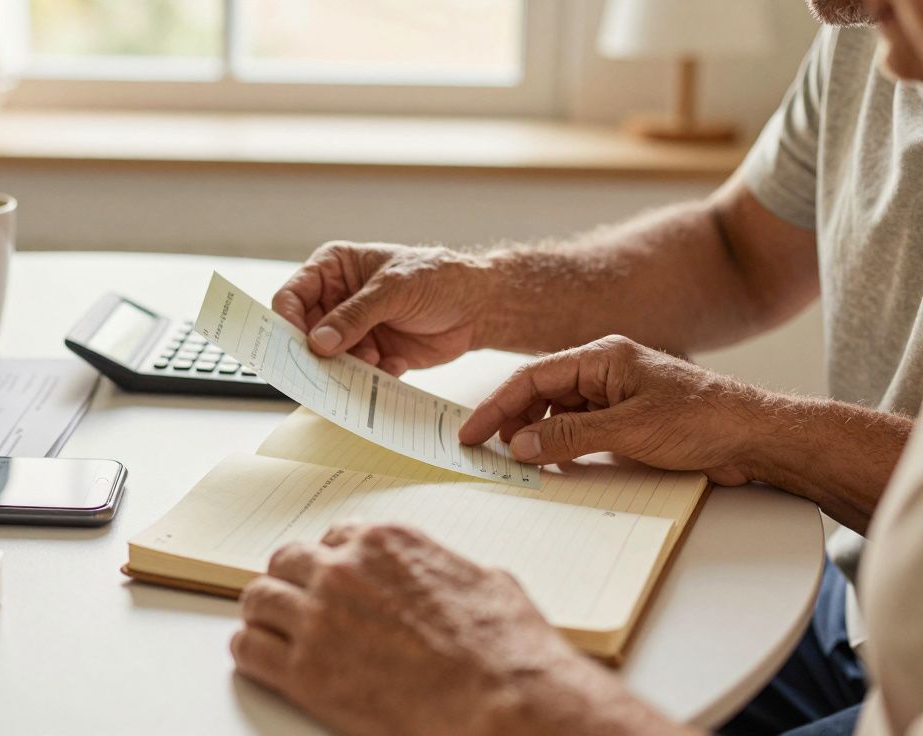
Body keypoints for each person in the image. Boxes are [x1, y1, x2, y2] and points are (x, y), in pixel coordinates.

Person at [229, 0, 923, 733]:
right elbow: (736, 251)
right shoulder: (871, 26)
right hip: (858, 597)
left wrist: (507, 691)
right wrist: (488, 294)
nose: (892, 66)